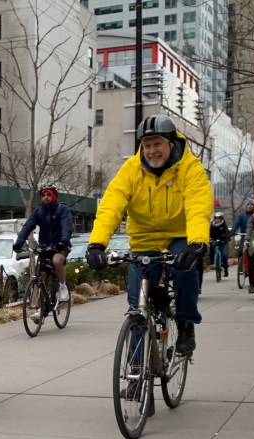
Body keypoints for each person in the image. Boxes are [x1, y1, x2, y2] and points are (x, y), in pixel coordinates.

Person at [86, 114, 213, 362]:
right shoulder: (131, 169)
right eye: (146, 145)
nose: (152, 151)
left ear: (170, 143)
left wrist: (197, 243)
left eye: (157, 144)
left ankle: (186, 324)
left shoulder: (190, 168)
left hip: (180, 235)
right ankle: (135, 375)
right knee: (138, 307)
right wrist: (97, 243)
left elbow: (199, 206)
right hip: (143, 239)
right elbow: (111, 206)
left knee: (185, 270)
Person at [12, 184, 74, 310]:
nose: (45, 197)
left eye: (48, 195)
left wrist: (64, 240)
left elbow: (66, 226)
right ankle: (38, 309)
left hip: (60, 246)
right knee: (40, 275)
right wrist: (19, 242)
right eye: (43, 195)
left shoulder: (62, 210)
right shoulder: (38, 212)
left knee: (57, 261)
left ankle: (63, 287)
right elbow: (27, 226)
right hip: (45, 247)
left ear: (54, 196)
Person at [208, 211, 230, 277]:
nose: (217, 220)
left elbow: (227, 233)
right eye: (216, 218)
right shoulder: (212, 225)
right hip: (215, 241)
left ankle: (225, 269)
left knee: (224, 254)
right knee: (211, 251)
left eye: (219, 218)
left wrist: (227, 239)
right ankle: (213, 262)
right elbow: (209, 234)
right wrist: (209, 239)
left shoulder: (224, 225)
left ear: (221, 219)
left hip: (223, 242)